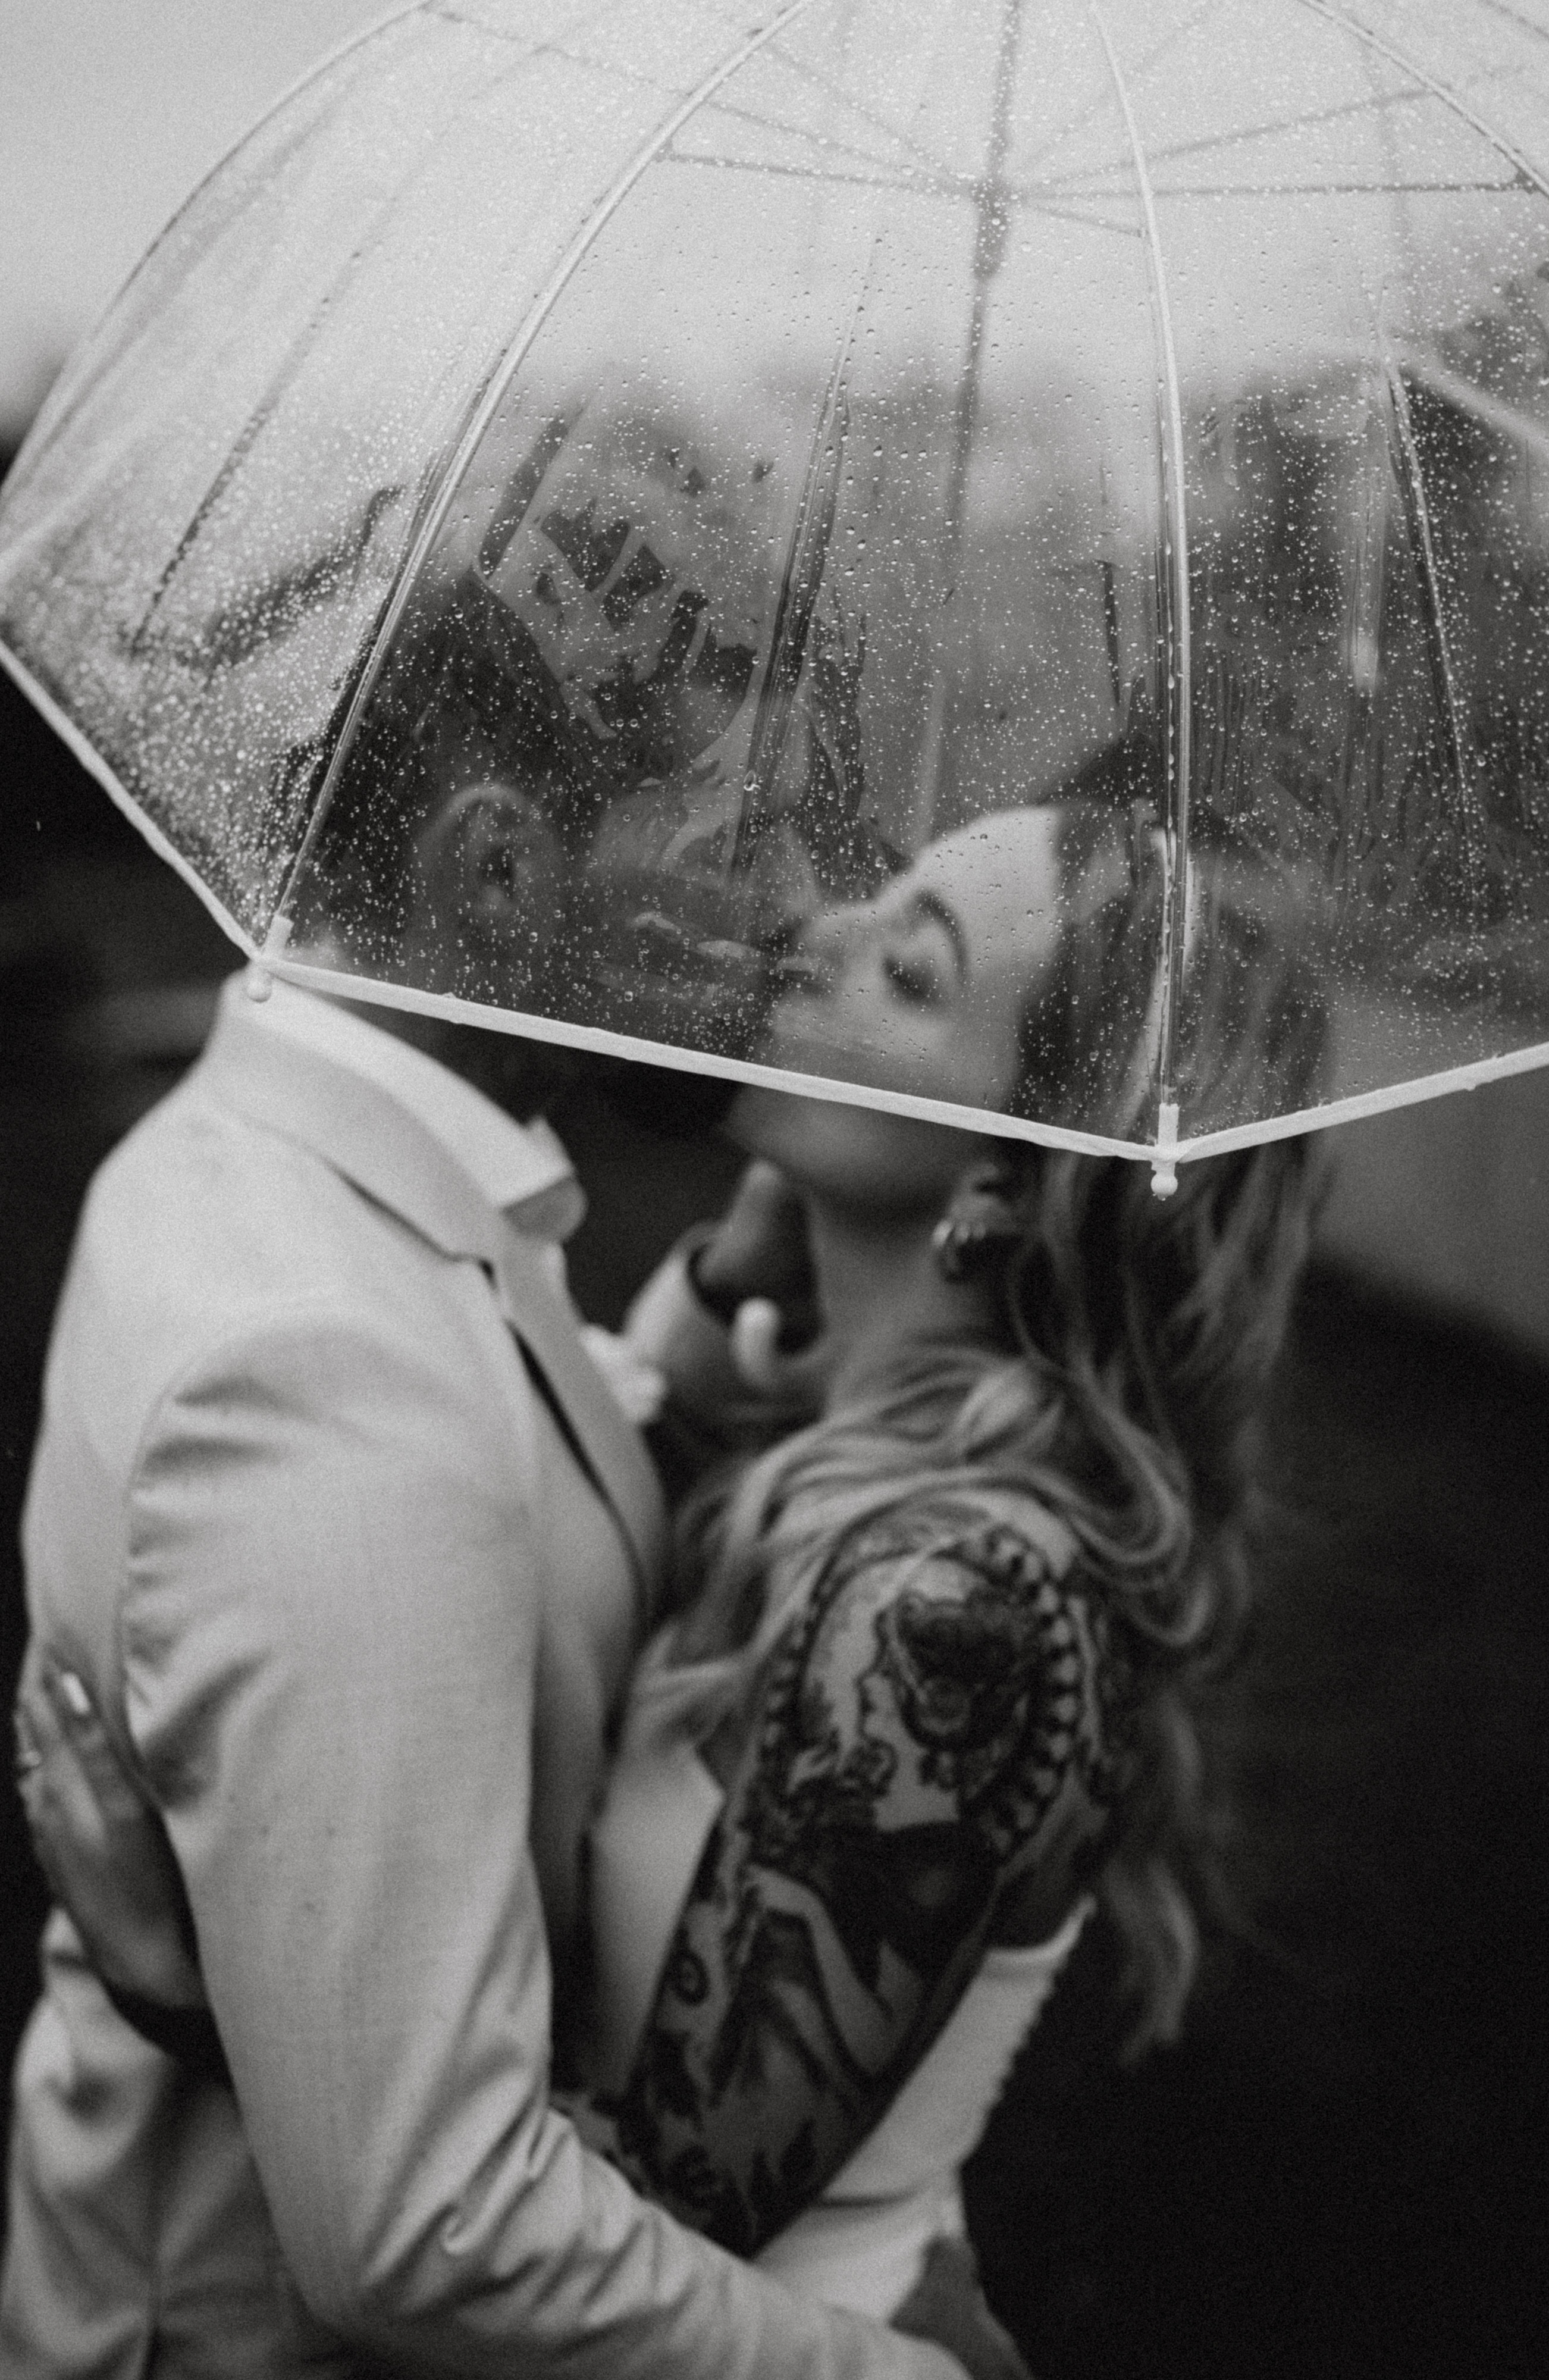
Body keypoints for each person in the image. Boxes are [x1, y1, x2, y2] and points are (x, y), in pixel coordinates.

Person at [18, 794, 1327, 2338]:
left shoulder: (950, 1614)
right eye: (876, 890)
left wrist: (202, 1997)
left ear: (998, 1178)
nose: (811, 933)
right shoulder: (846, 1459)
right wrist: (737, 1278)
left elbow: (646, 2211)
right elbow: (574, 1470)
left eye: (905, 973)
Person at [0, 692, 979, 2380]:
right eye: (741, 836)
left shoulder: (263, 1159)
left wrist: (691, 1325)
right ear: (500, 862)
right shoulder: (316, 1379)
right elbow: (427, 2230)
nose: (795, 907)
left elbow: (491, 1497)